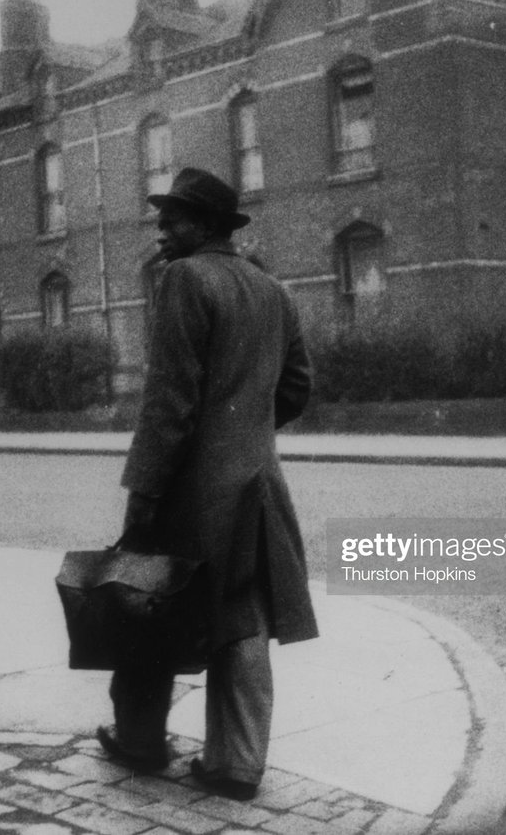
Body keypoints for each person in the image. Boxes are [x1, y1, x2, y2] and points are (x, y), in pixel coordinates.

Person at [96, 167, 318, 801]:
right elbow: (298, 386)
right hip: (258, 486)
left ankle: (139, 739)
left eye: (175, 218)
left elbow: (170, 402)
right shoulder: (272, 289)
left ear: (209, 226)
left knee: (149, 604)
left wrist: (143, 495)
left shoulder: (182, 280)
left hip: (192, 492)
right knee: (241, 618)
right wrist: (244, 430)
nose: (161, 230)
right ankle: (237, 765)